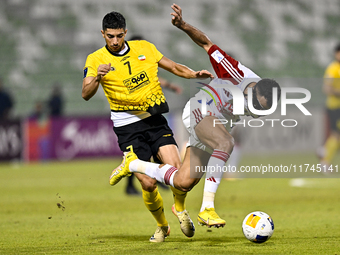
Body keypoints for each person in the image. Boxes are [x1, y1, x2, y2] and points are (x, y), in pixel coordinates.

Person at [109, 3, 281, 229]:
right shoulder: (234, 72)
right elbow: (206, 43)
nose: (256, 110)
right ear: (252, 87)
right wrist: (182, 25)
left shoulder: (262, 103)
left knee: (183, 182)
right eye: (255, 104)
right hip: (201, 109)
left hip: (216, 125)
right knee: (226, 142)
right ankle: (207, 208)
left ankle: (133, 165)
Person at [82, 11, 213, 242]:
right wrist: (97, 78)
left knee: (178, 172)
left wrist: (193, 74)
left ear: (126, 33)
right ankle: (162, 226)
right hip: (127, 126)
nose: (114, 41)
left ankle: (179, 208)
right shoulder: (95, 59)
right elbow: (85, 94)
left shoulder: (144, 48)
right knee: (149, 182)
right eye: (110, 36)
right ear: (102, 34)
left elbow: (172, 66)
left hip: (153, 120)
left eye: (119, 36)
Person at [125, 35, 183, 195]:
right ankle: (131, 185)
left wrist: (170, 86)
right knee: (140, 156)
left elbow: (156, 78)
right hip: (134, 119)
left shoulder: (140, 63)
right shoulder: (127, 66)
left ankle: (159, 178)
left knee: (154, 149)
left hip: (150, 114)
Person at [319, 43, 340, 170]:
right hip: (335, 107)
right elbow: (326, 88)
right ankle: (325, 161)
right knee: (336, 134)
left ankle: (323, 151)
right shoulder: (332, 69)